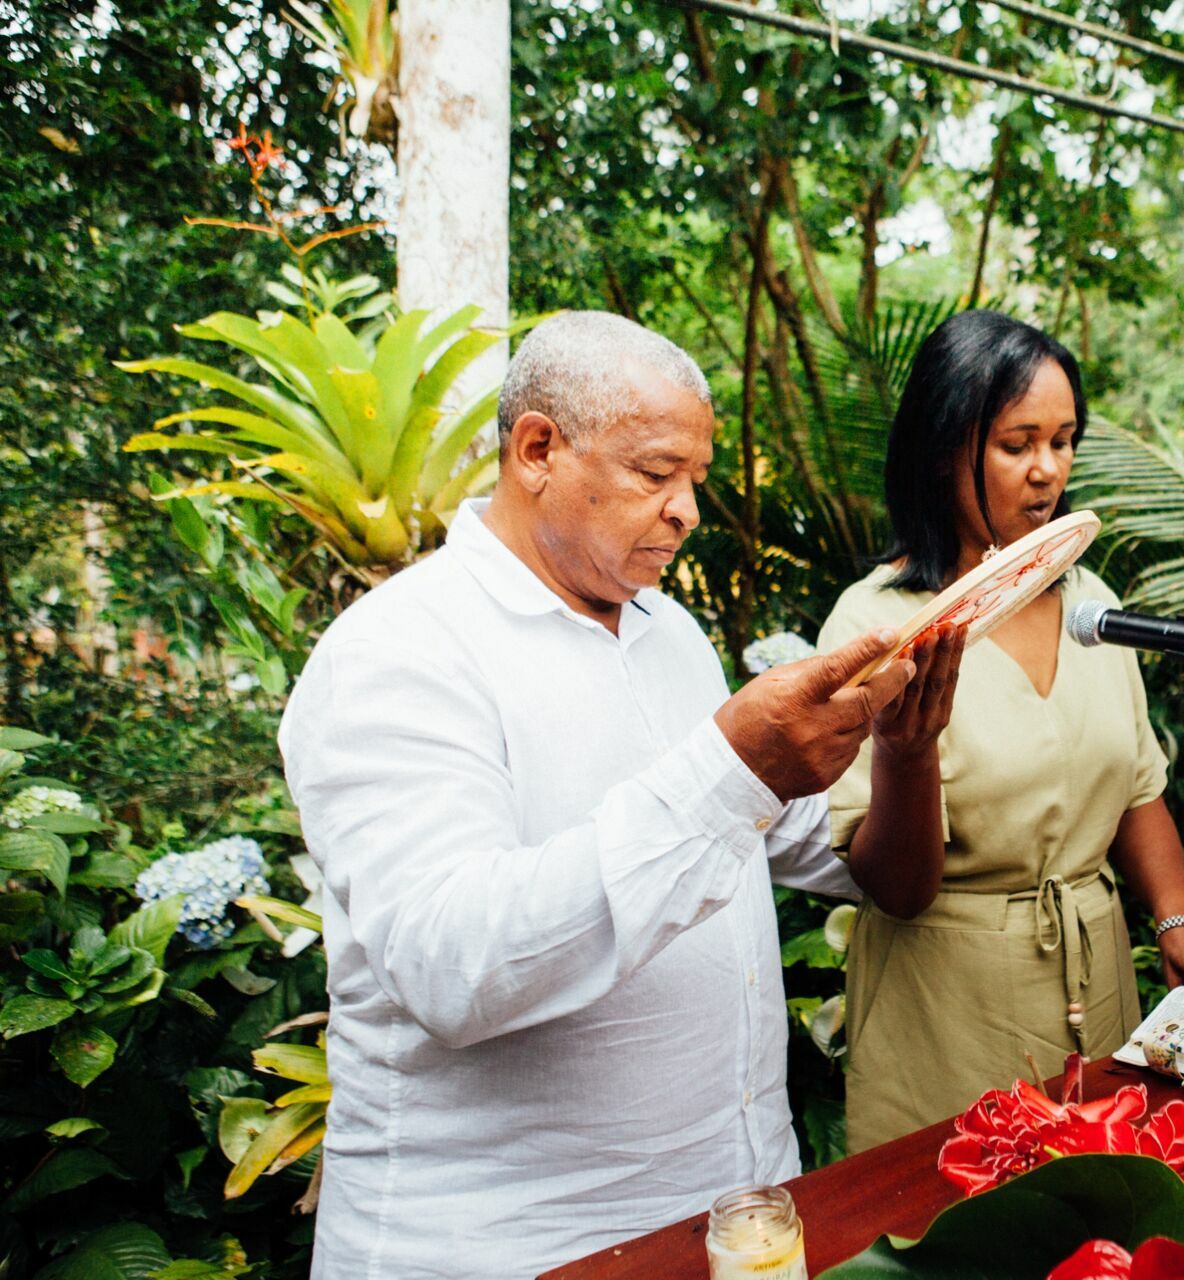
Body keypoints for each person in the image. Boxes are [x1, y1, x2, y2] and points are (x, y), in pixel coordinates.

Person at [279, 312, 934, 1279]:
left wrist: (905, 751)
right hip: (509, 1246)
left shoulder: (673, 639)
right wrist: (731, 772)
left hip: (734, 1217)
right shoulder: (397, 652)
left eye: (695, 482)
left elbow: (828, 857)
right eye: (654, 473)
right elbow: (453, 966)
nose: (687, 512)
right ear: (537, 448)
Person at [817, 310, 1184, 1153]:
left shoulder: (1091, 603)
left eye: (1064, 440)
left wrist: (1181, 925)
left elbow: (1135, 788)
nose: (1047, 471)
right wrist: (906, 753)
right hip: (946, 1009)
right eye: (1017, 445)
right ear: (943, 451)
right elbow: (895, 889)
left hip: (1099, 982)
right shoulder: (874, 626)